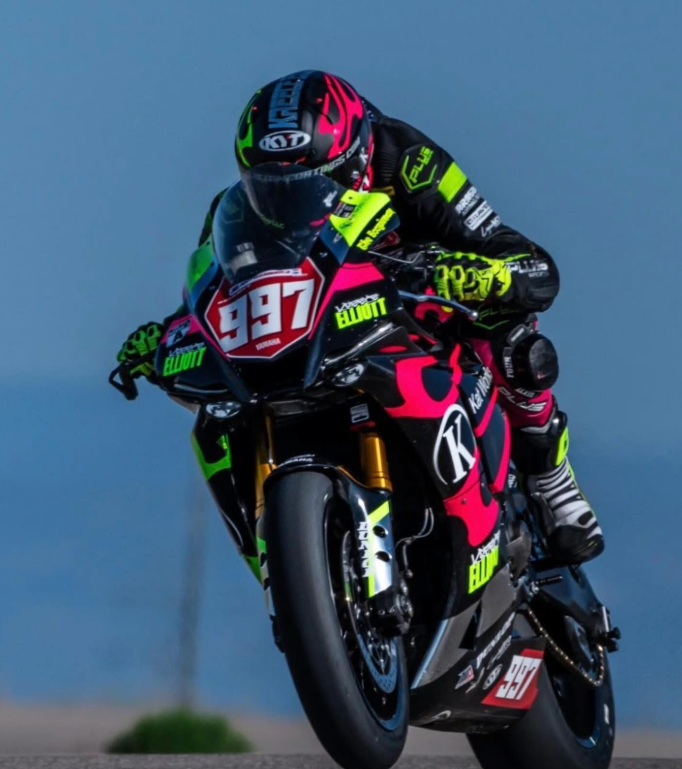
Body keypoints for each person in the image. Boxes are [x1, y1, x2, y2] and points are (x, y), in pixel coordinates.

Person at [118, 70, 603, 564]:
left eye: (310, 183)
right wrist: (170, 334)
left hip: (415, 305)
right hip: (313, 333)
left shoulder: (413, 164)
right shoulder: (235, 210)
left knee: (510, 340)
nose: (288, 200)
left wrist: (480, 275)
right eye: (270, 184)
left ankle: (553, 480)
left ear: (356, 159)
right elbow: (215, 295)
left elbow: (528, 262)